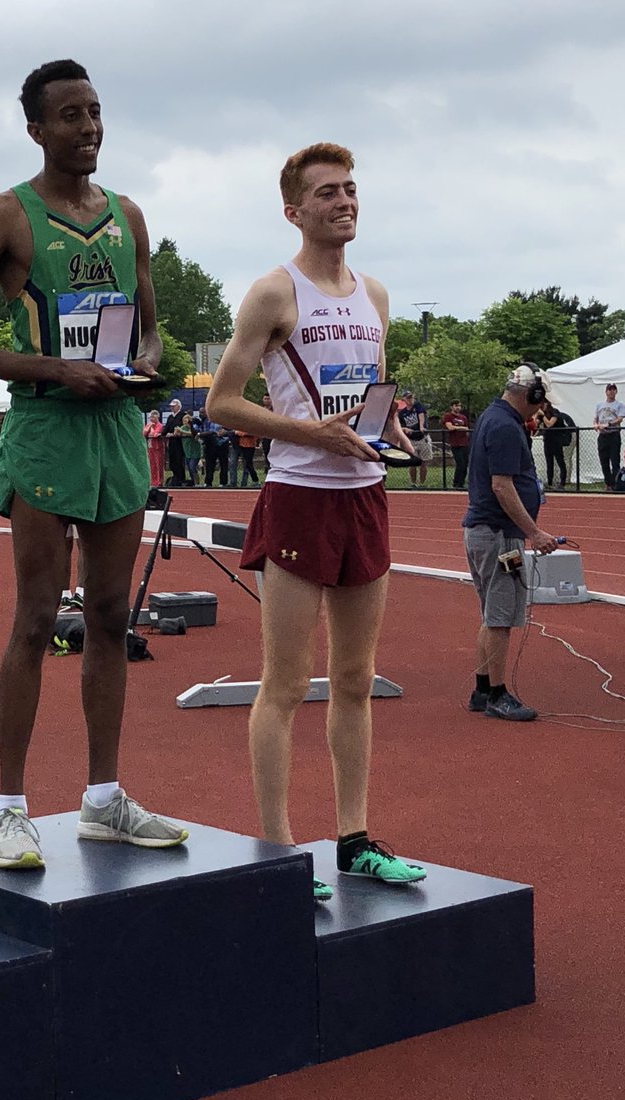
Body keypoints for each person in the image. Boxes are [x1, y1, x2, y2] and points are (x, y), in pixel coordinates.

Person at [0, 59, 187, 869]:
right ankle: (9, 809)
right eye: (72, 115)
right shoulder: (3, 218)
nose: (89, 128)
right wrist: (58, 369)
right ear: (37, 129)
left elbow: (151, 327)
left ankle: (103, 798)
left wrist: (144, 362)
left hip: (116, 427)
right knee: (38, 617)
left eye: (96, 112)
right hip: (47, 428)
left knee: (112, 615)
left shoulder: (128, 216)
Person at [206, 141, 425, 902]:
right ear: (294, 210)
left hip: (364, 494)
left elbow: (367, 397)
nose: (345, 201)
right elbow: (222, 403)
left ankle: (354, 839)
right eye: (328, 192)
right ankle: (277, 849)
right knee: (288, 682)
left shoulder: (376, 295)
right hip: (299, 494)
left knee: (356, 679)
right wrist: (313, 434)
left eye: (351, 189)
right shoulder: (274, 292)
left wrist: (388, 429)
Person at [461, 365, 559, 721]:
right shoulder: (504, 425)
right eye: (541, 399)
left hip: (489, 532)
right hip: (500, 537)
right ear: (532, 394)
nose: (542, 406)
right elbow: (502, 486)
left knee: (492, 615)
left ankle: (482, 688)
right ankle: (497, 695)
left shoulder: (494, 417)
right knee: (500, 617)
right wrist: (534, 532)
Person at [592, 383, 624, 490]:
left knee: (615, 460)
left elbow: (620, 418)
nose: (611, 392)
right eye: (609, 390)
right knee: (604, 461)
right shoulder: (599, 405)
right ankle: (608, 483)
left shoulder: (619, 405)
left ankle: (616, 484)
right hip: (603, 436)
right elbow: (595, 418)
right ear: (606, 392)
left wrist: (608, 424)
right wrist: (595, 425)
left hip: (614, 435)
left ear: (616, 391)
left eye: (613, 389)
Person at [537, 400, 573, 490]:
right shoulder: (542, 414)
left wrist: (543, 416)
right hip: (547, 441)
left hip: (557, 440)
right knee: (549, 463)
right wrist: (536, 415)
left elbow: (549, 424)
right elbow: (536, 423)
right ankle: (549, 482)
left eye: (543, 403)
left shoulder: (555, 412)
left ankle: (562, 483)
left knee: (560, 461)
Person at [398, 391, 430, 487]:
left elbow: (421, 415)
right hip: (411, 439)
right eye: (408, 398)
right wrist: (405, 429)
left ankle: (422, 484)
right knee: (412, 462)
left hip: (422, 437)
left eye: (411, 397)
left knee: (423, 462)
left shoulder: (417, 406)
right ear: (403, 399)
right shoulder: (402, 413)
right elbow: (399, 427)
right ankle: (413, 483)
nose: (410, 400)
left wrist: (421, 427)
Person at [442, 399, 470, 490]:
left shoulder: (463, 417)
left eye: (459, 406)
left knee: (465, 464)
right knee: (460, 464)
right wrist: (462, 428)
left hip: (464, 443)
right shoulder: (448, 416)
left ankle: (462, 483)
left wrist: (460, 428)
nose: (458, 407)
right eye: (456, 405)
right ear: (452, 407)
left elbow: (467, 430)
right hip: (455, 444)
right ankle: (456, 484)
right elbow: (450, 427)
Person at [163, 398, 188, 486]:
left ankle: (181, 479)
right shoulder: (170, 417)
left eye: (174, 406)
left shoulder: (183, 415)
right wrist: (163, 433)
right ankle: (175, 477)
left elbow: (183, 427)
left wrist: (175, 433)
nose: (172, 408)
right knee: (172, 461)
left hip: (180, 442)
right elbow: (166, 428)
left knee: (179, 460)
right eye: (171, 406)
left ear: (178, 406)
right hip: (171, 442)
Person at [198, 408, 224, 488]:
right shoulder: (203, 421)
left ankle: (223, 482)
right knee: (209, 465)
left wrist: (200, 434)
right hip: (209, 445)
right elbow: (200, 431)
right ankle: (208, 482)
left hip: (220, 444)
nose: (201, 414)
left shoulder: (217, 420)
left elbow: (213, 432)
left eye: (203, 412)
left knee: (223, 464)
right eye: (200, 413)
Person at [177, 411, 201, 486]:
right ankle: (192, 482)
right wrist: (177, 430)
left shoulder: (193, 427)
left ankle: (197, 483)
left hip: (195, 451)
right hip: (187, 451)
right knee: (189, 468)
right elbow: (177, 433)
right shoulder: (182, 427)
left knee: (192, 467)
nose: (185, 422)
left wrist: (182, 431)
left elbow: (192, 433)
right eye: (183, 421)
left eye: (186, 420)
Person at [142, 409, 165, 487]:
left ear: (157, 417)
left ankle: (159, 481)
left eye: (153, 417)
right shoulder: (148, 425)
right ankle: (153, 481)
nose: (151, 419)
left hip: (158, 447)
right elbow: (144, 433)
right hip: (150, 447)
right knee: (152, 465)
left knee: (159, 465)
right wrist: (149, 427)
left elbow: (154, 434)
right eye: (150, 417)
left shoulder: (160, 425)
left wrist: (151, 429)